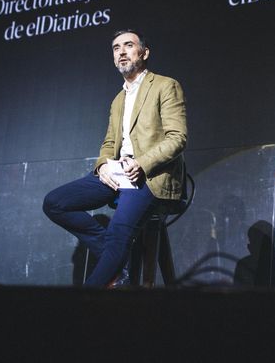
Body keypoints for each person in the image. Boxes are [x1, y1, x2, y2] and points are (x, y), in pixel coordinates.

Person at [43, 29, 187, 287]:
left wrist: (141, 163)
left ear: (144, 52)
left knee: (118, 234)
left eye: (128, 45)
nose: (121, 51)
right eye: (116, 48)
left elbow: (177, 138)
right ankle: (116, 259)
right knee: (55, 203)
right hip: (118, 173)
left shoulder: (165, 85)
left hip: (149, 175)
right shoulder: (118, 99)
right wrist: (102, 167)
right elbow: (110, 143)